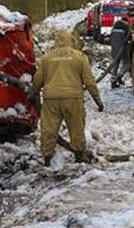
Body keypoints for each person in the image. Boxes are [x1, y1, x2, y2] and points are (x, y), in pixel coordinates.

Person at [32, 29, 104, 164]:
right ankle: (78, 155)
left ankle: (47, 157)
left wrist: (33, 93)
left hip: (51, 99)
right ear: (71, 40)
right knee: (76, 128)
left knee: (49, 129)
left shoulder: (47, 58)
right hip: (73, 99)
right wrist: (97, 100)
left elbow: (38, 80)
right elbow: (89, 81)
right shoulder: (79, 57)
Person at [108, 17, 130, 88]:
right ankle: (119, 76)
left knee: (115, 64)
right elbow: (127, 38)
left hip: (114, 48)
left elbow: (110, 38)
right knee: (127, 63)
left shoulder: (114, 27)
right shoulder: (126, 27)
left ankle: (113, 81)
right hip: (122, 48)